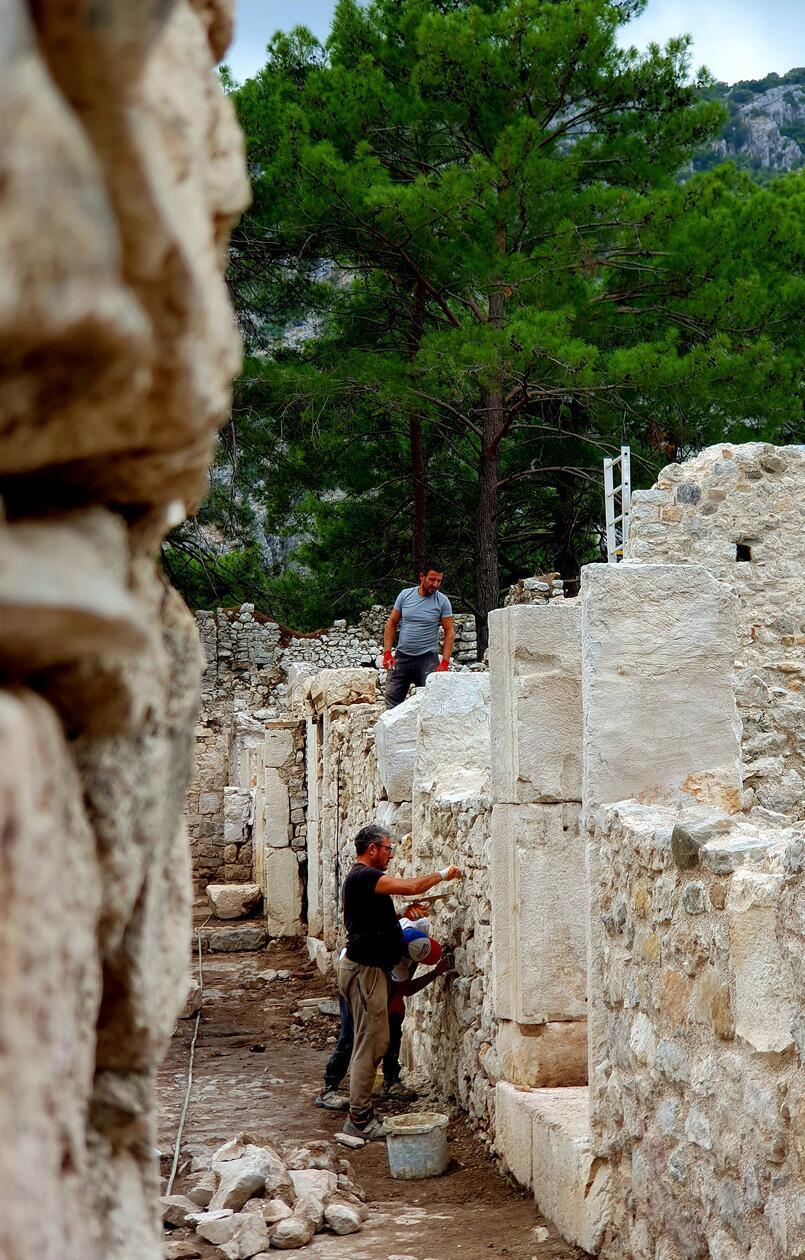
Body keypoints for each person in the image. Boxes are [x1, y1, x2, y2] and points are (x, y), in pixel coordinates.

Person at [337, 823, 462, 1141]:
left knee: (375, 1042)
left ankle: (362, 1112)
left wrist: (402, 914)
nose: (391, 855)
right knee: (368, 1045)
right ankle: (360, 1119)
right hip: (364, 971)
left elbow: (373, 922)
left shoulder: (363, 882)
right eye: (388, 849)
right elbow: (411, 886)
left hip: (370, 970)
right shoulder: (365, 875)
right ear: (372, 849)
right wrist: (444, 874)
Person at [316, 928, 449, 1111]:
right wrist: (435, 973)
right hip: (357, 978)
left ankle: (391, 1081)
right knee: (351, 1034)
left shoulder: (414, 928)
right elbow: (405, 989)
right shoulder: (389, 956)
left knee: (393, 1026)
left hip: (378, 978)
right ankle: (328, 1087)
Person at [383, 561, 454, 709]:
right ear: (422, 577)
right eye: (432, 580)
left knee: (433, 703)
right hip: (402, 658)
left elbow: (449, 632)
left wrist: (445, 663)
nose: (435, 585)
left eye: (439, 581)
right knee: (391, 702)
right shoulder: (405, 595)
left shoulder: (443, 602)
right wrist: (387, 653)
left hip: (427, 658)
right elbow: (391, 623)